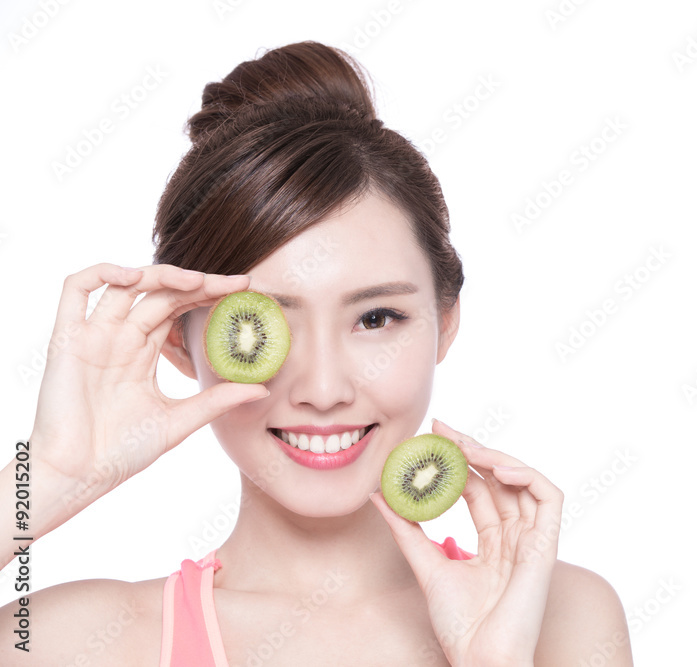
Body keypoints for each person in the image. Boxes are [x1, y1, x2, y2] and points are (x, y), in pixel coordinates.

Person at [0, 41, 632, 665]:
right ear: (178, 340)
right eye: (268, 324)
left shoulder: (560, 618)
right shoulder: (72, 643)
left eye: (376, 317)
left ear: (444, 323)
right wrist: (50, 476)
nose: (324, 388)